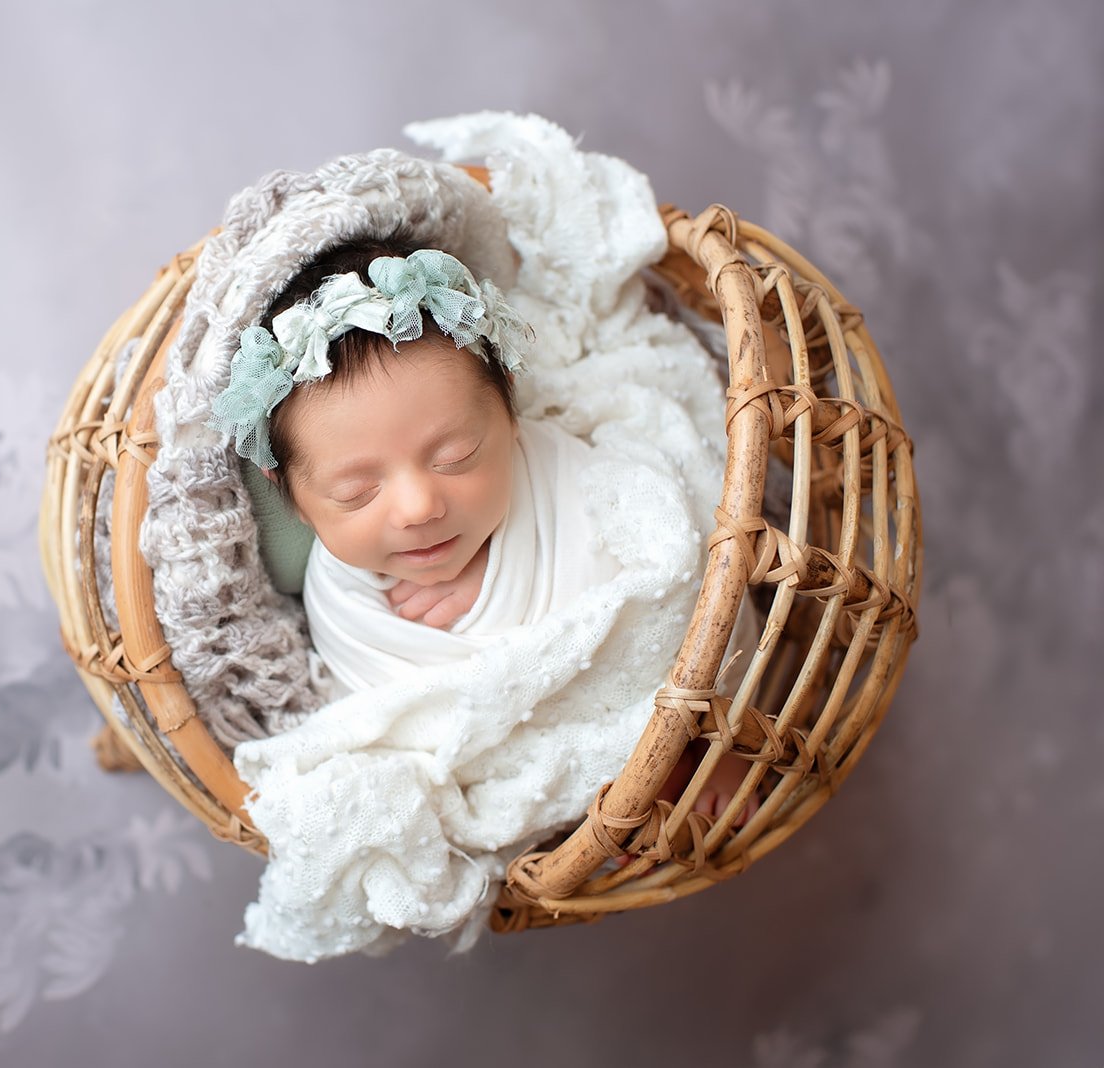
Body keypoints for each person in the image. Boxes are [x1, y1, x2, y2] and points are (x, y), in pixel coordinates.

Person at [212, 228, 761, 833]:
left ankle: (701, 742)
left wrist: (499, 565)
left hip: (682, 698)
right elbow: (411, 742)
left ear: (510, 413)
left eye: (457, 456)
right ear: (293, 496)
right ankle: (623, 784)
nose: (418, 507)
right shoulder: (345, 609)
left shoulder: (564, 471)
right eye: (356, 492)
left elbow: (680, 567)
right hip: (560, 784)